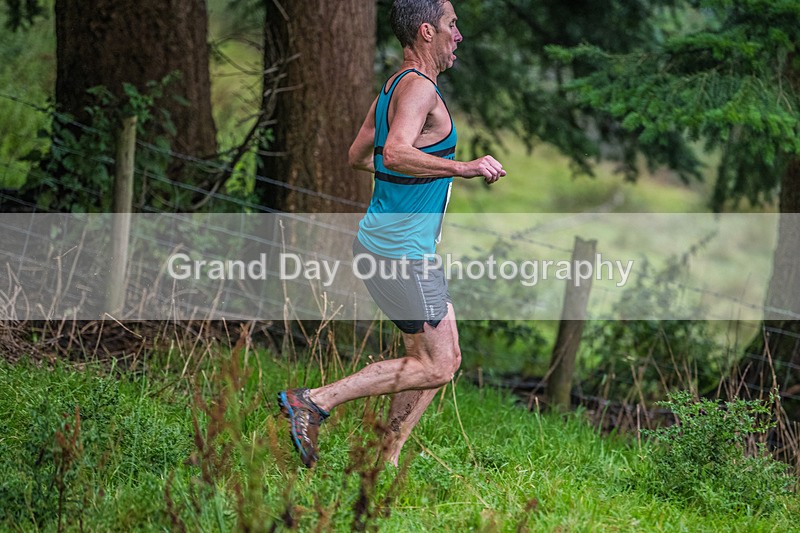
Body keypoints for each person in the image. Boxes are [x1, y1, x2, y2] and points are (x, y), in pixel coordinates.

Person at [278, 0, 505, 468]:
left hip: (385, 244)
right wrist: (461, 167)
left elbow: (362, 155)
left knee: (439, 354)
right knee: (439, 364)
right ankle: (314, 400)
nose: (458, 35)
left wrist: (405, 179)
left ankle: (385, 456)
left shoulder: (393, 88)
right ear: (427, 32)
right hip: (401, 254)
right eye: (451, 25)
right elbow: (395, 154)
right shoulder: (420, 90)